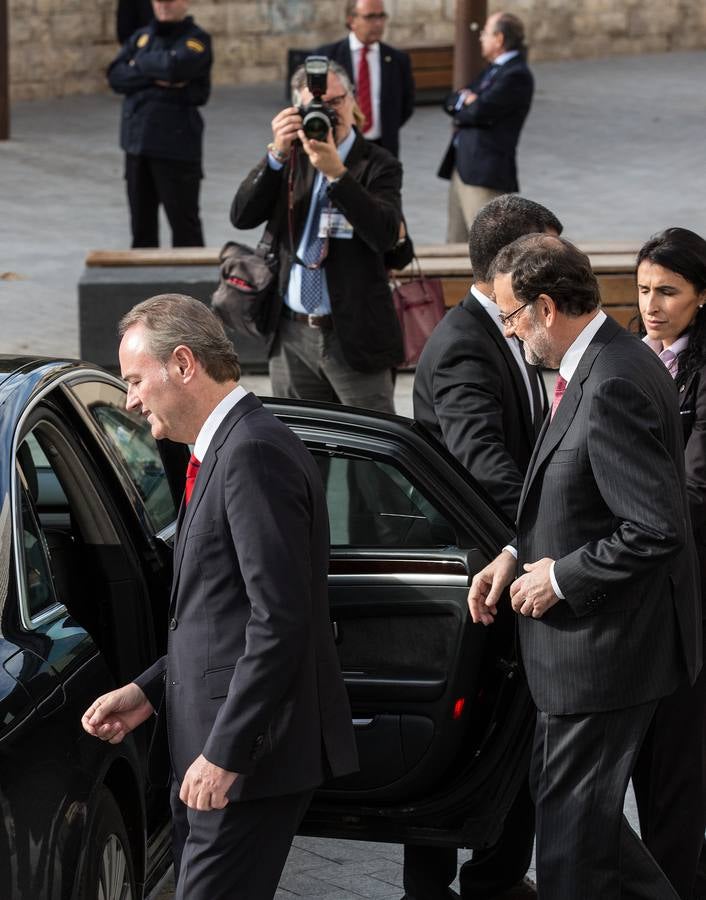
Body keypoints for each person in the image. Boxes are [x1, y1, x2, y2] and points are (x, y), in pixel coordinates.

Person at [81, 294, 358, 900]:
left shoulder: (251, 452)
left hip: (243, 763)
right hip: (216, 752)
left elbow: (279, 620)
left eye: (134, 380)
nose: (129, 400)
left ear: (183, 364)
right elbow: (218, 616)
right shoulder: (226, 448)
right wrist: (149, 692)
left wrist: (227, 753)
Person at [468, 234, 701, 899]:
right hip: (591, 657)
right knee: (582, 830)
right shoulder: (597, 362)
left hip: (604, 656)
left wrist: (561, 577)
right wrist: (515, 555)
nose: (511, 333)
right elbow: (579, 495)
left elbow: (656, 527)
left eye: (511, 317)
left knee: (572, 850)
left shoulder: (615, 378)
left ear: (545, 307)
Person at [406, 195, 563, 900]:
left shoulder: (507, 331)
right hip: (481, 581)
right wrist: (544, 542)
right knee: (467, 747)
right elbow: (486, 469)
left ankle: (497, 876)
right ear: (513, 262)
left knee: (508, 743)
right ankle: (442, 888)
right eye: (549, 253)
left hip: (507, 567)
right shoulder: (464, 344)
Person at [231, 59, 403, 413]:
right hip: (291, 333)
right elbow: (242, 215)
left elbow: (385, 234)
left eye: (337, 101)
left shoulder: (377, 163)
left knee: (371, 451)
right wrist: (276, 155)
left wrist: (338, 175)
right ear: (296, 109)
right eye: (316, 106)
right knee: (300, 449)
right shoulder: (290, 157)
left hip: (352, 333)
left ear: (354, 102)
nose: (329, 112)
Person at [632, 227, 706, 900]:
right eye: (644, 290)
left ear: (702, 297)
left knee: (678, 764)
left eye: (670, 292)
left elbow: (696, 488)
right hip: (631, 590)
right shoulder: (629, 355)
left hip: (689, 587)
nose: (652, 306)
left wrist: (627, 531)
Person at [107, 0, 212, 248]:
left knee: (185, 228)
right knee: (141, 229)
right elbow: (115, 76)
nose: (163, 5)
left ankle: (190, 286)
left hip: (175, 148)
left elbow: (175, 68)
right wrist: (158, 73)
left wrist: (139, 64)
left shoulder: (196, 40)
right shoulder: (141, 37)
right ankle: (144, 286)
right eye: (158, 1)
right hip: (137, 147)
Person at [438, 12, 533, 243]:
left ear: (499, 39)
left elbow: (479, 111)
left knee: (488, 245)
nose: (481, 37)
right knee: (456, 241)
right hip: (463, 166)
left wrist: (469, 104)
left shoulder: (516, 74)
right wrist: (466, 102)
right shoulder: (493, 70)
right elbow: (452, 100)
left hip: (485, 172)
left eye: (485, 33)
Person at [317, 0, 415, 158]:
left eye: (381, 16)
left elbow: (406, 105)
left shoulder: (397, 59)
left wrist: (388, 127)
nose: (378, 23)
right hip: (339, 146)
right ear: (351, 20)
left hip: (383, 147)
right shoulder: (327, 57)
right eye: (370, 17)